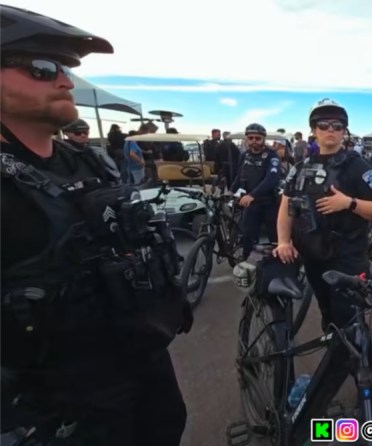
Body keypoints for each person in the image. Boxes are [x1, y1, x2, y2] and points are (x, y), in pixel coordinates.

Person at [0, 5, 191, 445]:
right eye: (43, 68)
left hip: (142, 382)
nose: (66, 81)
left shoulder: (91, 162)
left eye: (65, 68)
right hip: (53, 411)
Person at [274, 98, 372, 330]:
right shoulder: (300, 167)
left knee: (352, 323)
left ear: (344, 131)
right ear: (314, 130)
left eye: (337, 126)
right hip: (312, 256)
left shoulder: (358, 166)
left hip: (348, 259)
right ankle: (333, 355)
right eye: (324, 125)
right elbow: (286, 206)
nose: (330, 130)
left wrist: (349, 203)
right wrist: (283, 241)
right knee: (328, 314)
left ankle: (350, 365)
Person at [230, 123, 282, 257]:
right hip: (251, 203)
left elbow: (271, 179)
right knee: (248, 236)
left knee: (275, 237)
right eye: (251, 138)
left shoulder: (272, 156)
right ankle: (247, 265)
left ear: (263, 139)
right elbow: (239, 175)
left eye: (257, 138)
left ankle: (279, 266)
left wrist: (253, 195)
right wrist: (231, 192)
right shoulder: (244, 155)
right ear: (246, 139)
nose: (254, 141)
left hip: (269, 202)